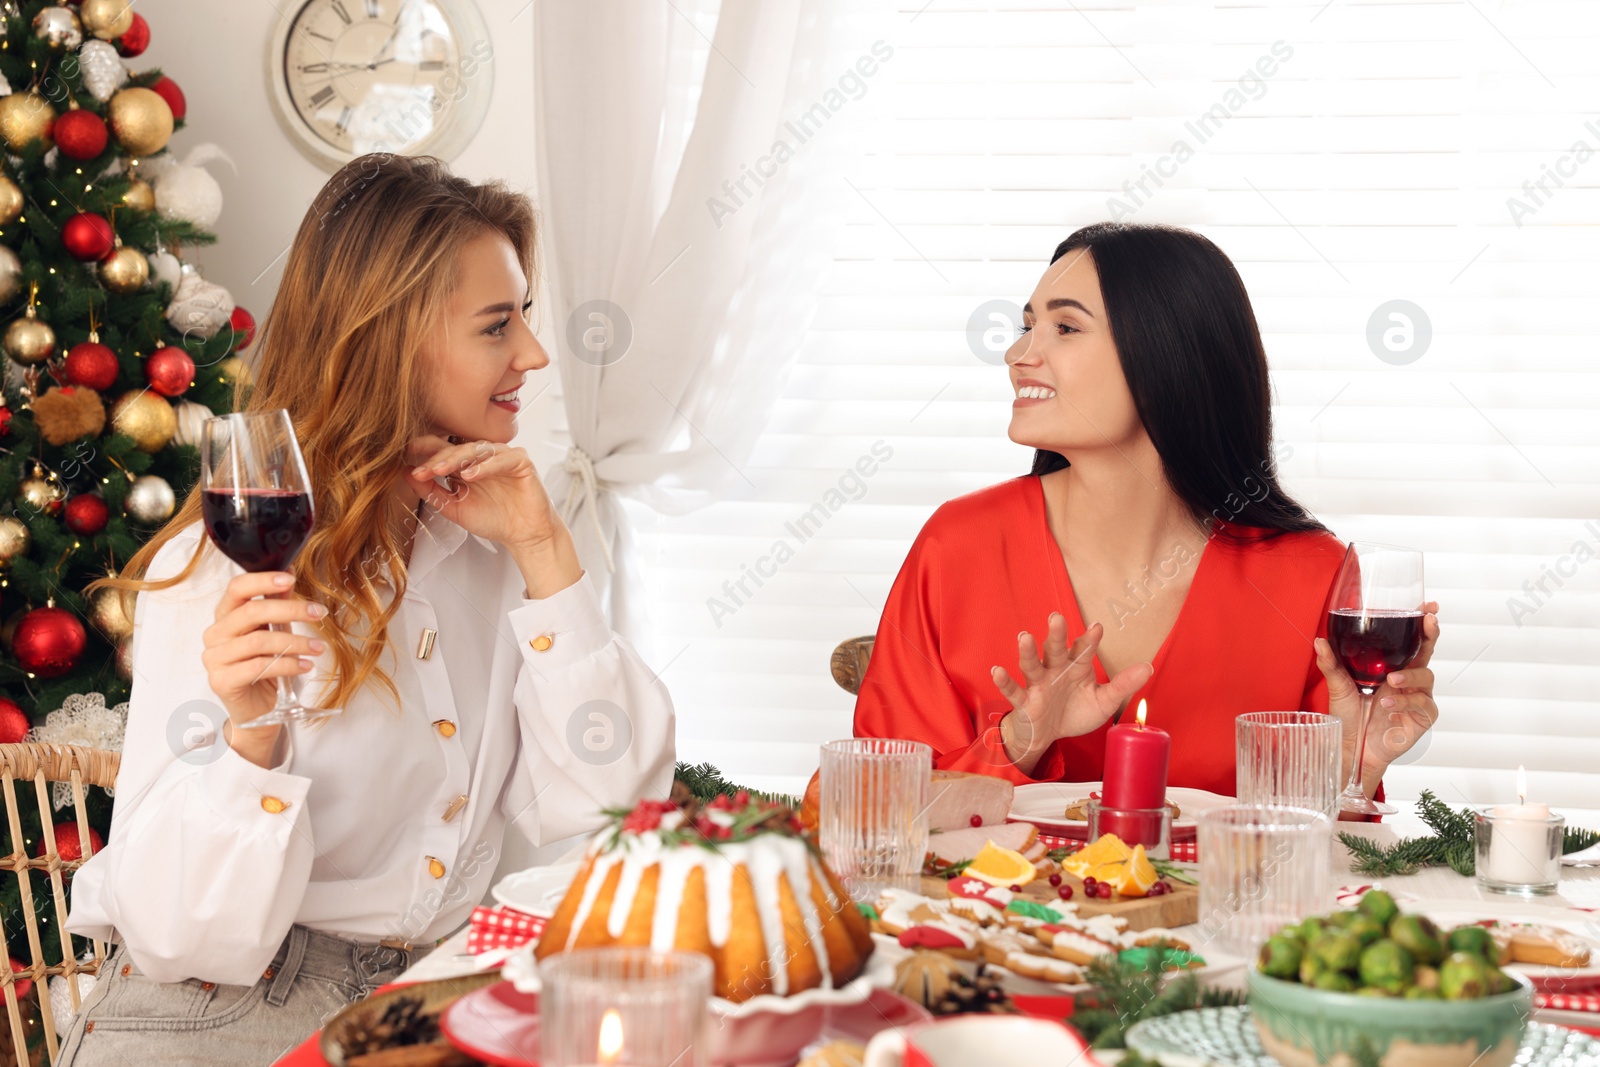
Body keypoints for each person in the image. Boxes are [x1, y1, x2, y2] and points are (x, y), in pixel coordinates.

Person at [58, 155, 677, 1066]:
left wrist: (549, 555)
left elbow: (618, 800)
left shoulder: (496, 545)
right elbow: (173, 934)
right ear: (391, 338)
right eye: (497, 326)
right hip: (226, 1013)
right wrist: (251, 743)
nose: (535, 355)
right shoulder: (223, 568)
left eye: (527, 318)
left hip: (428, 1003)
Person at [853, 222, 1439, 805]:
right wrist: (1018, 739)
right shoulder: (960, 546)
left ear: (1167, 356)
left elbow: (1319, 866)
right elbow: (874, 804)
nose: (1017, 354)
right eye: (1027, 326)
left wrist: (1349, 768)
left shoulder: (1312, 578)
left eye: (1065, 327)